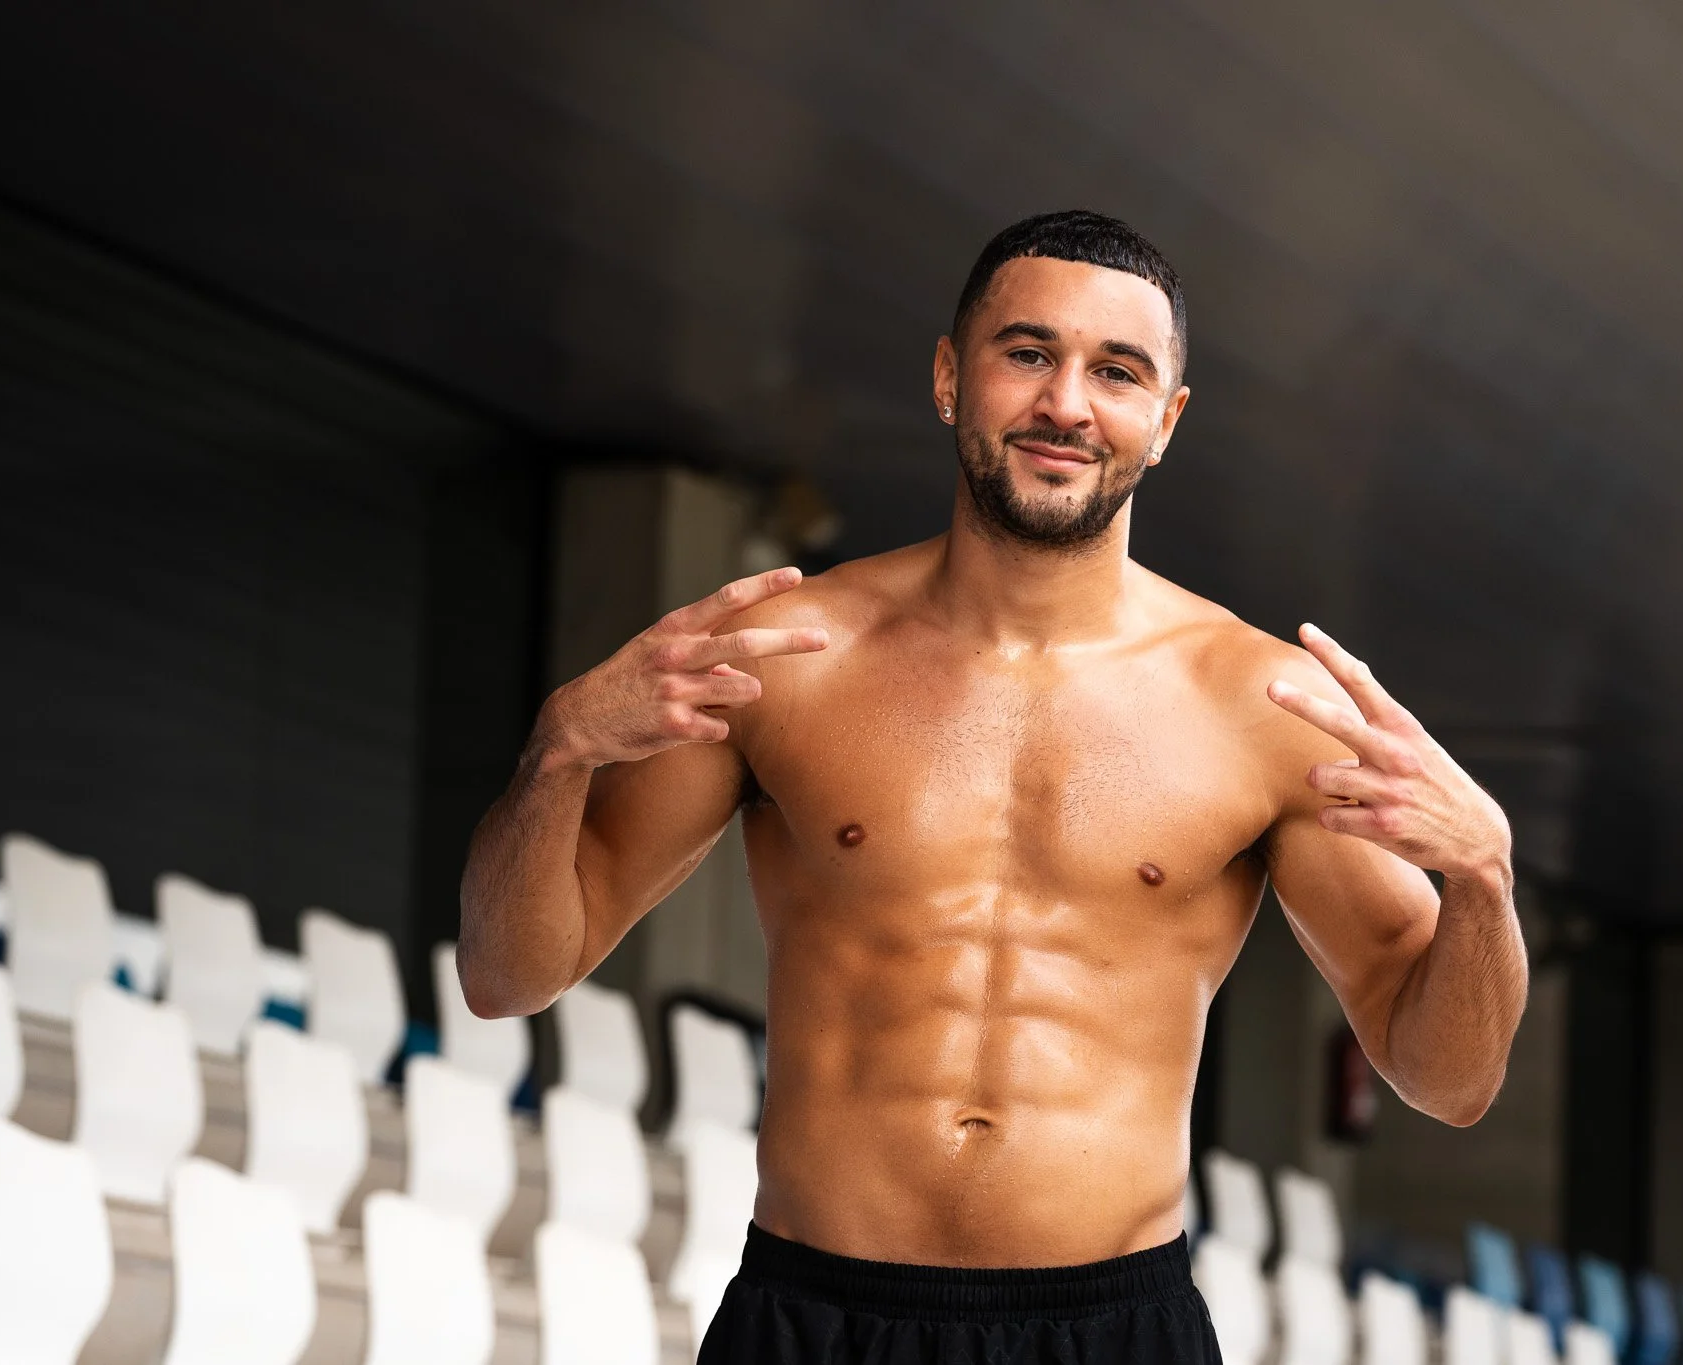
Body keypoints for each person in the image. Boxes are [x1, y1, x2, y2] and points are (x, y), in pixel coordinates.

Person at [458, 210, 1528, 1364]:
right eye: (1027, 354)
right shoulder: (784, 658)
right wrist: (556, 751)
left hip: (1111, 1329)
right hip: (815, 1319)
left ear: (1163, 422)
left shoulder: (1260, 706)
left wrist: (1482, 877)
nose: (1066, 403)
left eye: (1115, 372)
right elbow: (508, 975)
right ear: (946, 378)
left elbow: (1446, 1083)